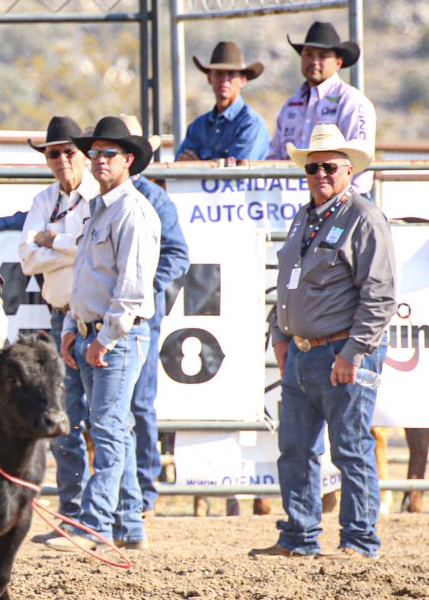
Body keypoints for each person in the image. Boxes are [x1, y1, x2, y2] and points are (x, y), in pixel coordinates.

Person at [250, 124, 393, 560]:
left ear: (348, 170)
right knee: (295, 448)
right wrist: (280, 334)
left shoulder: (364, 218)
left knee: (350, 447)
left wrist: (355, 351)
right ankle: (299, 536)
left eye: (329, 166)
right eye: (313, 167)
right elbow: (287, 284)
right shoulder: (303, 218)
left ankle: (359, 539)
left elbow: (380, 294)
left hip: (342, 349)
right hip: (302, 351)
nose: (320, 174)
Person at [46, 116, 160, 553]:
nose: (98, 161)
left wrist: (104, 337)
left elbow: (131, 289)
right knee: (115, 430)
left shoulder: (131, 211)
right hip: (99, 331)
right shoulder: (102, 207)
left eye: (107, 153)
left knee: (108, 429)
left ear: (128, 159)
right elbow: (86, 274)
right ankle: (129, 524)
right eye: (93, 153)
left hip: (118, 336)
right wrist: (76, 326)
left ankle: (93, 525)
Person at [16, 116, 100, 535]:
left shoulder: (100, 196)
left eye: (69, 151)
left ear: (83, 155)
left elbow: (92, 250)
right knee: (64, 418)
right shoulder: (44, 199)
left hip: (96, 318)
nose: (62, 159)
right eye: (54, 153)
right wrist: (73, 248)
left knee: (105, 419)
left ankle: (105, 516)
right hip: (59, 316)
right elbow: (28, 257)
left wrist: (56, 242)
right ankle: (72, 513)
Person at [117, 115, 191, 518]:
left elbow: (178, 255)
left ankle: (143, 490)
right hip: (113, 312)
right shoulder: (109, 195)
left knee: (138, 403)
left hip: (141, 315)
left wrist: (142, 288)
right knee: (118, 405)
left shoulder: (153, 198)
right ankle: (130, 490)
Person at [268, 22, 375, 195]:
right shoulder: (290, 106)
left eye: (323, 55)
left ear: (338, 62)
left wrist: (347, 204)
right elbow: (274, 157)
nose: (314, 61)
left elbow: (361, 161)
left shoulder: (352, 102)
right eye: (308, 54)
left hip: (341, 201)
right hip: (290, 204)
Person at [176, 41, 271, 162]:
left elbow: (238, 174)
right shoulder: (198, 127)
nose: (224, 80)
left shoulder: (251, 124)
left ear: (243, 80)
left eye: (231, 74)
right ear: (210, 78)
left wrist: (198, 165)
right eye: (219, 73)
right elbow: (180, 164)